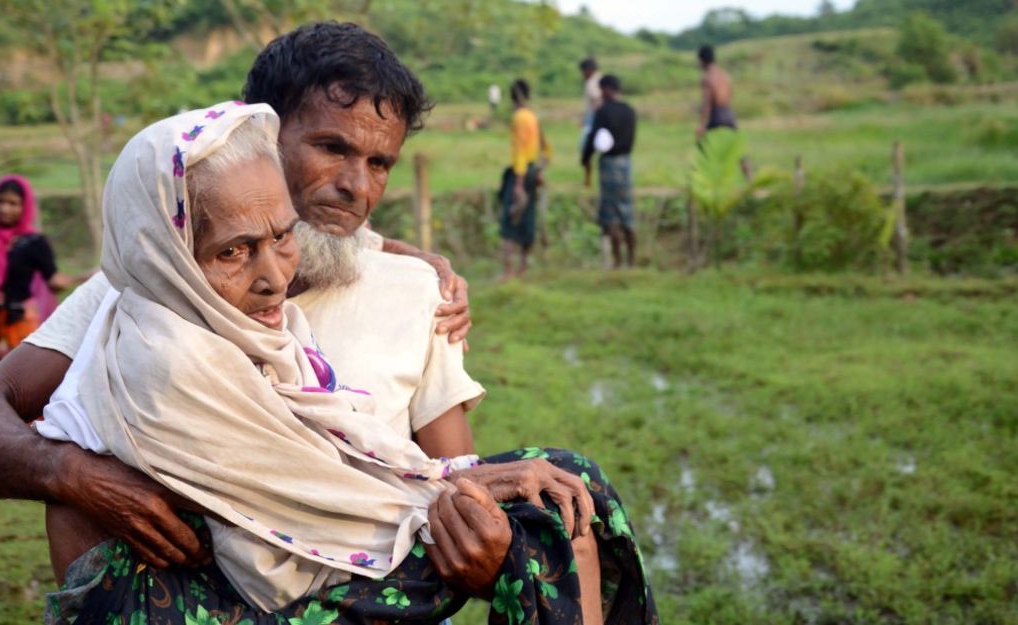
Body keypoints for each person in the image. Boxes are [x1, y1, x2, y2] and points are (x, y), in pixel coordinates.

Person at [0, 21, 597, 617]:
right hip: (188, 601)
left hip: (366, 594)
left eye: (379, 162)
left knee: (569, 498)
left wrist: (487, 553)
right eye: (332, 148)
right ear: (254, 133)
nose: (357, 186)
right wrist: (72, 474)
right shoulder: (146, 287)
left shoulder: (416, 290)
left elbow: (453, 481)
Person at [32, 102, 655, 624]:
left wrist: (461, 479)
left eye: (281, 237)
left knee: (567, 483)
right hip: (242, 595)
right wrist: (462, 491)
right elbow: (321, 495)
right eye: (233, 253)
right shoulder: (169, 358)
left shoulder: (233, 320)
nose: (274, 277)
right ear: (164, 253)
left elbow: (338, 455)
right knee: (544, 530)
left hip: (315, 540)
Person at [0, 175, 81, 391]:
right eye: (0, 201)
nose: (4, 209)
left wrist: (85, 278)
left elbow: (53, 281)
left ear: (25, 207)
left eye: (13, 203)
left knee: (23, 387)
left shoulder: (34, 243)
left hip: (19, 322)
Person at [582, 74, 637, 269]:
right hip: (626, 163)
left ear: (607, 89)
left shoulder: (603, 112)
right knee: (627, 212)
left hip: (609, 165)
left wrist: (585, 160)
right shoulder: (630, 111)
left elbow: (592, 140)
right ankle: (631, 260)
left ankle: (617, 261)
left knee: (612, 214)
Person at [498, 79, 550, 280]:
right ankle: (523, 267)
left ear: (512, 97)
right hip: (532, 170)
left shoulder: (519, 118)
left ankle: (509, 271)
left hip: (521, 173)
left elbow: (520, 151)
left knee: (510, 220)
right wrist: (539, 171)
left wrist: (518, 184)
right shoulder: (533, 116)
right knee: (528, 218)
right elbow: (547, 149)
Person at [696, 45, 752, 180]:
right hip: (728, 113)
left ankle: (702, 182)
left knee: (705, 149)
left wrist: (701, 125)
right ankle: (750, 179)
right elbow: (730, 95)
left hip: (716, 116)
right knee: (738, 149)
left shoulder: (707, 78)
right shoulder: (724, 75)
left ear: (702, 61)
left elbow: (707, 104)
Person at [579, 57, 603, 151]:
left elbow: (597, 100)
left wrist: (585, 120)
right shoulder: (600, 78)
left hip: (593, 117)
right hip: (599, 116)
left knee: (585, 145)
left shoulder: (591, 82)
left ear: (588, 70)